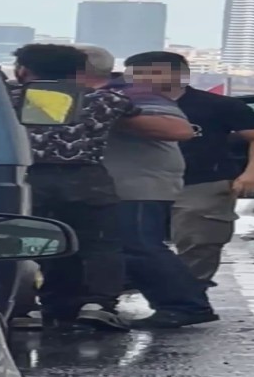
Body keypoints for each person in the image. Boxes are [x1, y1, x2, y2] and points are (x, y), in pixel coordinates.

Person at [75, 46, 218, 329]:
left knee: (139, 246)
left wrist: (109, 116)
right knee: (115, 247)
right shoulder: (79, 94)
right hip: (107, 184)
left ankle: (185, 305)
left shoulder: (130, 93)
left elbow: (179, 130)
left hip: (140, 182)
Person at [10, 43, 138, 330]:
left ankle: (40, 305)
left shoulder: (8, 98)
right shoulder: (105, 100)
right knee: (100, 245)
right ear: (79, 72)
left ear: (23, 70)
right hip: (87, 179)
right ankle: (97, 305)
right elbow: (136, 115)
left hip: (30, 178)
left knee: (33, 241)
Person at [123, 52, 254, 287]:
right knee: (132, 244)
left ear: (180, 75)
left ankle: (188, 295)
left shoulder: (218, 105)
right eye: (136, 74)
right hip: (137, 185)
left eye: (152, 73)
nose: (143, 79)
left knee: (200, 243)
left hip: (202, 183)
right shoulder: (120, 106)